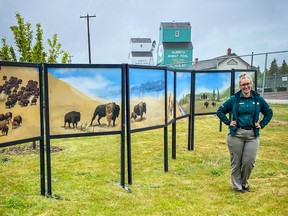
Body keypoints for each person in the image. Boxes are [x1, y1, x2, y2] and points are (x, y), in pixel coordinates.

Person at [216, 72, 273, 193]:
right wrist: (228, 122)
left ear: (251, 84)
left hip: (252, 135)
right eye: (243, 85)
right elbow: (220, 111)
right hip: (236, 135)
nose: (246, 87)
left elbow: (269, 112)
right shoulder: (234, 99)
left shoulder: (258, 99)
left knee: (249, 161)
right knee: (236, 161)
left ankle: (244, 182)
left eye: (248, 84)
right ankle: (237, 186)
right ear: (240, 86)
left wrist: (261, 124)